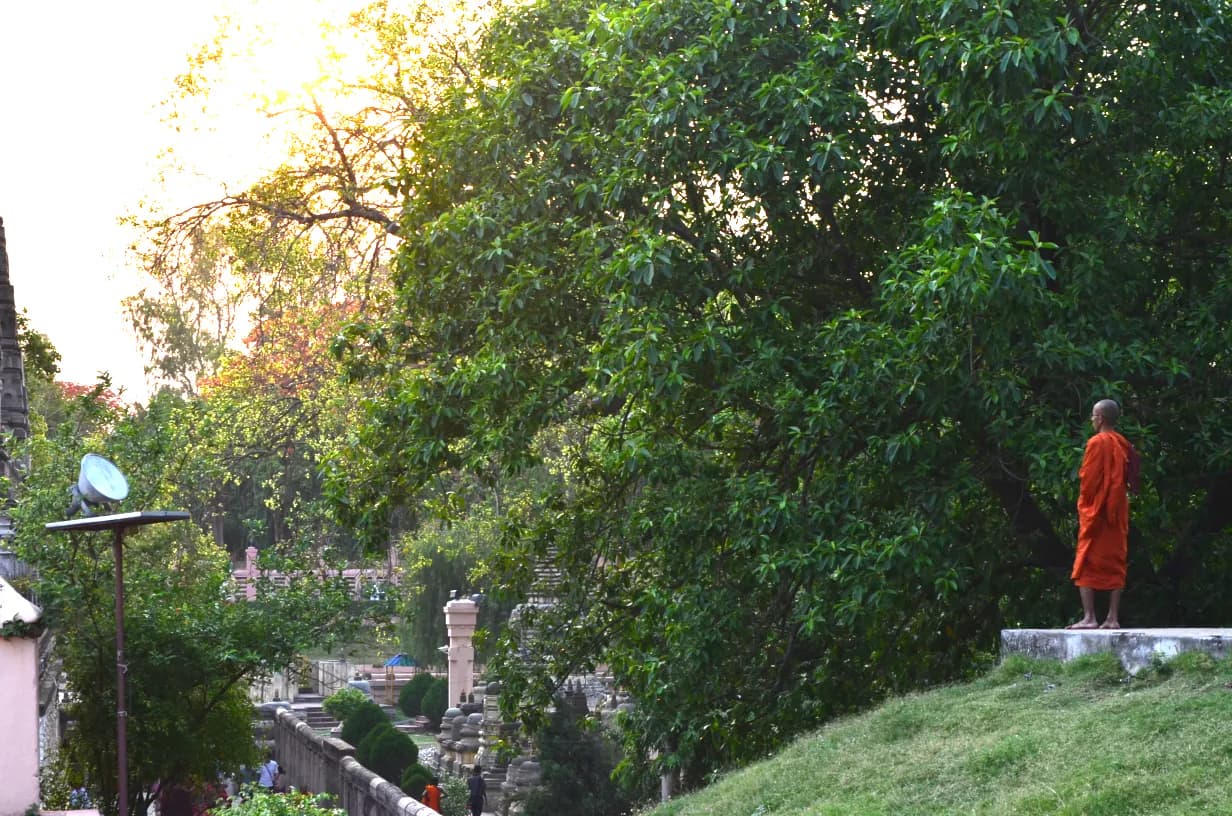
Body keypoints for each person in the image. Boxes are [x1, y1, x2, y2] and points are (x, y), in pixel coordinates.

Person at [1067, 398, 1139, 630]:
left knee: (1086, 560)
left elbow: (1088, 481)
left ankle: (1089, 617)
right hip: (1117, 511)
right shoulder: (1123, 443)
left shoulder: (1097, 443)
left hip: (1097, 512)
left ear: (1101, 418)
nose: (1091, 419)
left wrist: (1086, 507)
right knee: (1116, 560)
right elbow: (1132, 478)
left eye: (1093, 415)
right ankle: (1112, 618)